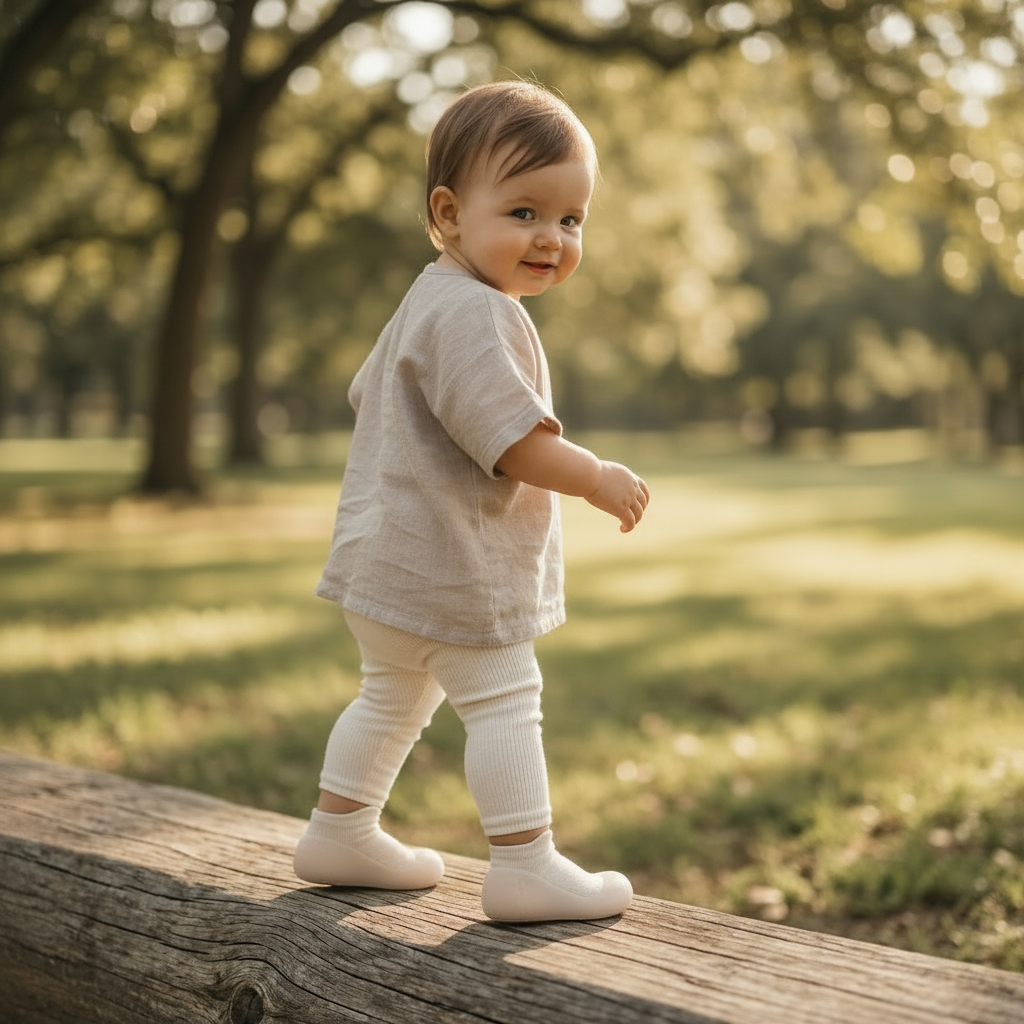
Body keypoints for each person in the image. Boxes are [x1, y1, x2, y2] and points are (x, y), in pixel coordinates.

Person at [294, 80, 651, 922]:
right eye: (524, 211)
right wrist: (597, 475)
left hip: (387, 567)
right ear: (450, 213)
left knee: (390, 696)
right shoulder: (475, 312)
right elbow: (515, 441)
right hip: (450, 569)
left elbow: (363, 392)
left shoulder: (426, 300)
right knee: (504, 697)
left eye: (571, 220)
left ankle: (339, 831)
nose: (551, 238)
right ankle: (525, 864)